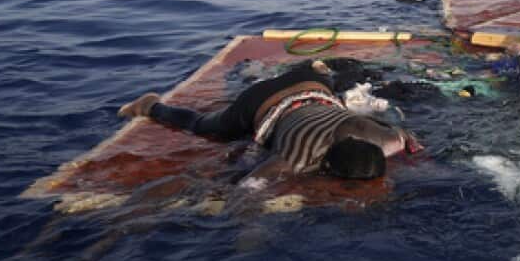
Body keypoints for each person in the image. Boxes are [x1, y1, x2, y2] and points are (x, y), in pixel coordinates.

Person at [117, 58, 419, 181]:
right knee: (203, 126)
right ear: (325, 166)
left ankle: (317, 69)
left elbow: (408, 139)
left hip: (313, 84)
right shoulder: (296, 158)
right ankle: (150, 106)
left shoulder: (388, 139)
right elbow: (250, 187)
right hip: (260, 101)